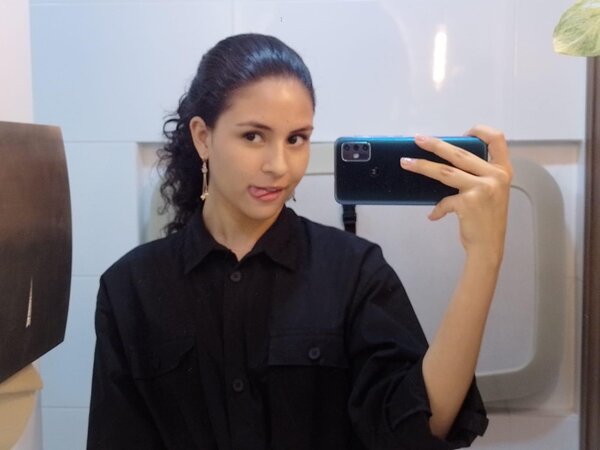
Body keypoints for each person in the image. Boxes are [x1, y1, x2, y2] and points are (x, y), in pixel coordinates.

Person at [87, 33, 512, 449]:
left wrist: (484, 256)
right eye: (253, 136)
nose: (279, 166)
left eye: (296, 139)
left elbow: (418, 427)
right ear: (203, 137)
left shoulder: (354, 272)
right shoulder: (131, 289)